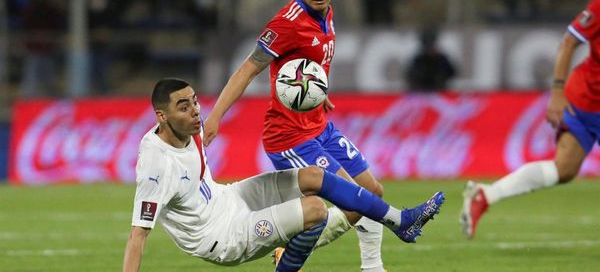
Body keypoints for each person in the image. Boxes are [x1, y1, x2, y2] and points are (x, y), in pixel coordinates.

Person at [122, 78, 445, 272]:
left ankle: (401, 221)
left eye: (194, 101)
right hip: (220, 236)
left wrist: (309, 91)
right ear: (161, 116)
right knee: (315, 211)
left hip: (228, 197)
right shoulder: (156, 166)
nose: (195, 110)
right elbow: (138, 235)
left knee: (313, 176)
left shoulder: (191, 127)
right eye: (183, 106)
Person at [203, 0, 391, 272]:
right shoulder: (287, 23)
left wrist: (318, 93)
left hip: (319, 125)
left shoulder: (326, 14)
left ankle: (371, 265)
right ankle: (298, 249)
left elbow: (307, 65)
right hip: (291, 135)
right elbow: (247, 69)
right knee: (355, 198)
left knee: (373, 191)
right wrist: (216, 116)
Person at [460, 0, 600, 239]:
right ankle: (487, 195)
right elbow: (568, 42)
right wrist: (557, 91)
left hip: (587, 100)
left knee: (564, 170)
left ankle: (486, 194)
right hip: (585, 99)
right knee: (563, 168)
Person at [406, 26, 456, 91]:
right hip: (422, 91)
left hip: (439, 90)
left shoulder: (441, 59)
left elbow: (452, 72)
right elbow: (411, 75)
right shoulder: (419, 60)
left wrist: (440, 78)